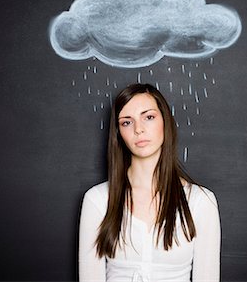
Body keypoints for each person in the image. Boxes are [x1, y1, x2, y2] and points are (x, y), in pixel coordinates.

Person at [79, 83, 221, 282]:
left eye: (149, 117)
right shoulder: (98, 200)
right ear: (119, 134)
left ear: (165, 122)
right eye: (127, 122)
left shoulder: (201, 201)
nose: (139, 129)